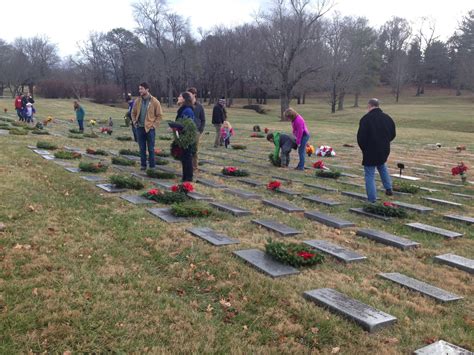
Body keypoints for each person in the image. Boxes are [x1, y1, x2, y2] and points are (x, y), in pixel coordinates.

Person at [357, 98, 396, 203]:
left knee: (369, 174)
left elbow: (361, 137)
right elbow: (393, 134)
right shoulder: (387, 118)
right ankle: (388, 188)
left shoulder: (366, 119)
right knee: (382, 166)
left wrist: (364, 148)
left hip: (370, 150)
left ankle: (372, 199)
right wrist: (385, 143)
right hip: (384, 149)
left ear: (370, 106)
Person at [131, 82, 163, 171]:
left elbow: (159, 115)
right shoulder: (137, 101)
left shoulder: (155, 101)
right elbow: (133, 113)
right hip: (139, 128)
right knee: (142, 148)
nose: (139, 90)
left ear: (147, 89)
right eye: (139, 89)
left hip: (150, 129)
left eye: (141, 89)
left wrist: (154, 125)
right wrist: (134, 122)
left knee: (151, 149)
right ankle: (143, 165)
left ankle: (152, 166)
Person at [175, 92, 197, 182]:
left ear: (184, 99)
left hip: (187, 137)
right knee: (184, 157)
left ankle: (188, 177)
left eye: (180, 96)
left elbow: (187, 124)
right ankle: (185, 177)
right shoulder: (182, 109)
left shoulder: (187, 110)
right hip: (182, 136)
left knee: (187, 157)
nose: (178, 97)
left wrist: (176, 126)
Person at [187, 87, 205, 171]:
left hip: (196, 130)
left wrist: (201, 129)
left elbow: (203, 119)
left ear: (194, 94)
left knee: (194, 149)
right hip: (187, 130)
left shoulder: (200, 106)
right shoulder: (186, 105)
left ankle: (194, 166)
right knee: (187, 148)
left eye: (190, 94)